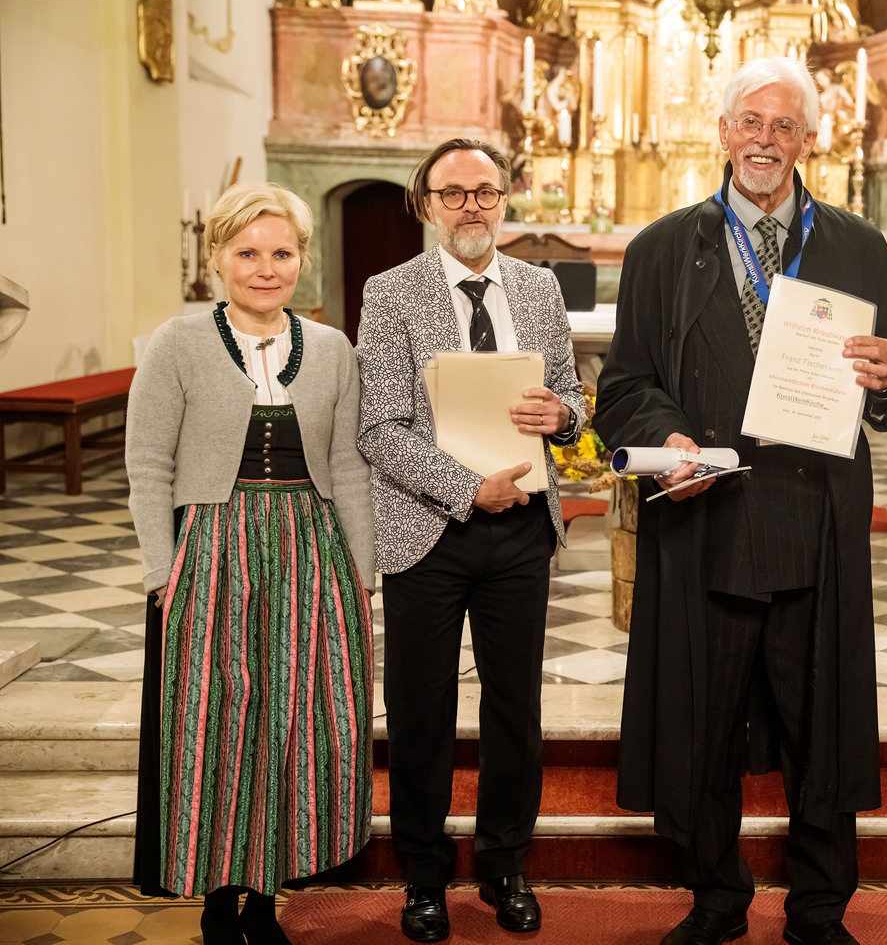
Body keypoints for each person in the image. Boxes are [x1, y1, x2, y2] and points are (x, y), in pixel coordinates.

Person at [593, 56, 887, 945]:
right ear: (724, 132)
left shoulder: (857, 246)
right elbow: (624, 387)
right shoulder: (662, 248)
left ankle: (818, 909)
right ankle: (716, 899)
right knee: (701, 723)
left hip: (816, 522)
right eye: (750, 122)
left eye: (783, 126)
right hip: (707, 517)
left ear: (808, 140)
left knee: (822, 725)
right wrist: (669, 436)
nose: (764, 141)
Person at [126, 183, 375, 944]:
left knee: (294, 722)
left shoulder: (332, 349)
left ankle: (268, 899)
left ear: (302, 260)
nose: (266, 269)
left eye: (282, 253)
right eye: (248, 253)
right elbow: (148, 465)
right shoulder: (177, 343)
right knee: (217, 722)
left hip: (309, 548)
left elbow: (350, 466)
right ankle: (217, 896)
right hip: (213, 548)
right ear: (217, 258)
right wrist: (162, 572)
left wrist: (361, 575)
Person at [356, 138, 585, 941]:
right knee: (421, 710)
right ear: (427, 204)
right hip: (427, 530)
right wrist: (463, 488)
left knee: (516, 707)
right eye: (452, 194)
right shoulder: (391, 292)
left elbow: (570, 392)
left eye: (484, 192)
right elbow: (380, 427)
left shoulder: (539, 286)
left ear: (505, 197)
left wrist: (563, 415)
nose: (470, 207)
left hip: (520, 527)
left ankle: (505, 864)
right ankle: (424, 874)